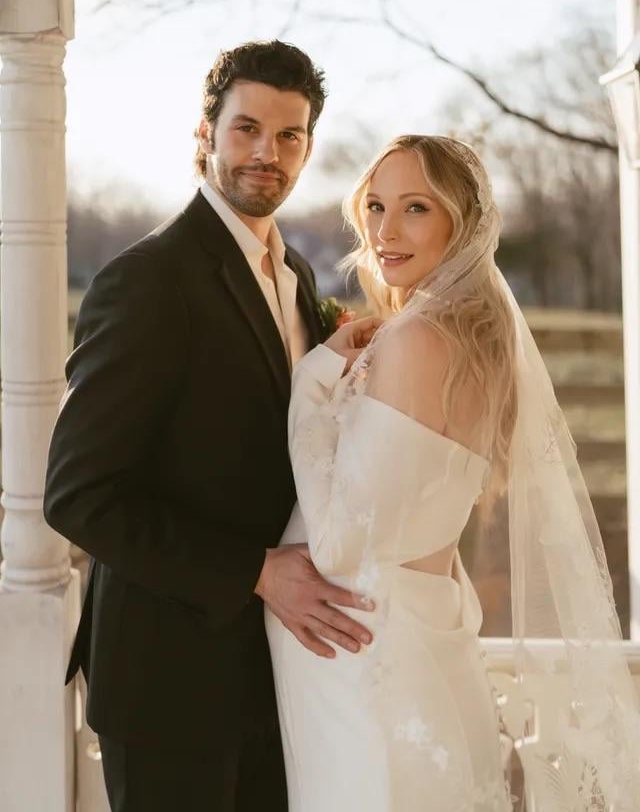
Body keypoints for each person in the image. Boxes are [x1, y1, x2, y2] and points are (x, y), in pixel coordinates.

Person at [43, 40, 375, 812]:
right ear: (206, 134)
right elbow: (79, 496)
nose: (268, 153)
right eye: (246, 129)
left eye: (289, 135)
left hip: (277, 674)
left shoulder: (296, 277)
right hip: (169, 685)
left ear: (309, 147)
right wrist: (256, 572)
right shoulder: (147, 280)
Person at [266, 135, 640, 810]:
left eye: (416, 208)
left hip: (362, 658)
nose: (384, 231)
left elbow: (341, 542)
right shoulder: (478, 338)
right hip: (416, 636)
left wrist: (312, 384)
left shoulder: (416, 339)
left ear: (460, 222)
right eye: (376, 206)